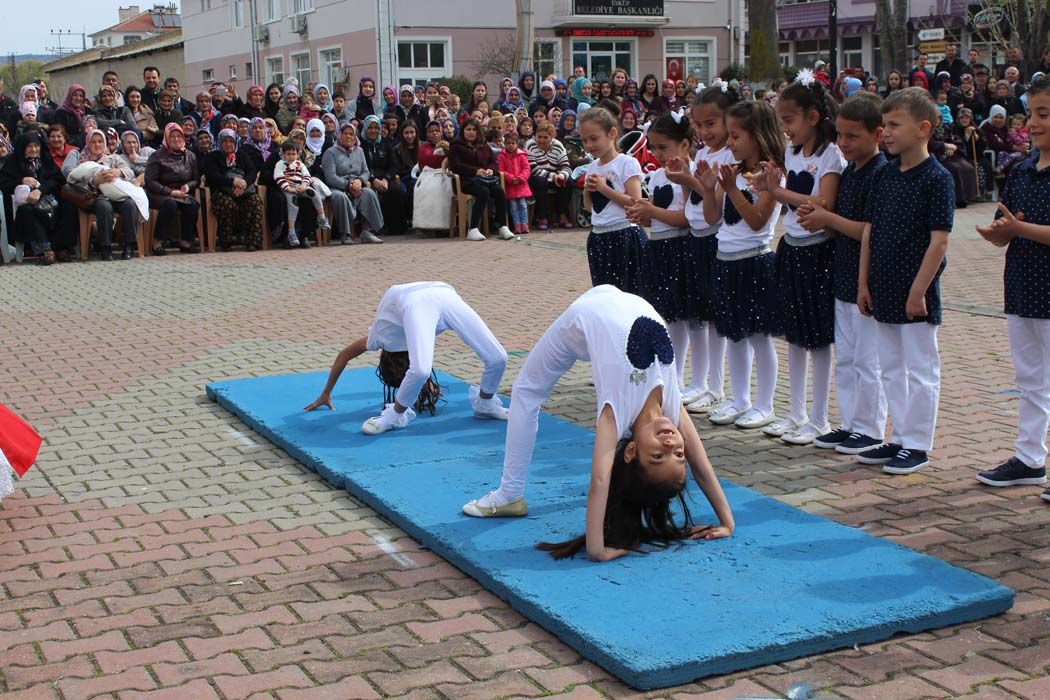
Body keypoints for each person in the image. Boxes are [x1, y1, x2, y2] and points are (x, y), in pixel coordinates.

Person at [461, 285, 735, 563]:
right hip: (620, 300)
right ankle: (510, 494)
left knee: (526, 390)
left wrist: (596, 549)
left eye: (657, 456)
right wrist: (727, 522)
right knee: (530, 390)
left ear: (630, 452)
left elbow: (600, 479)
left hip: (582, 321)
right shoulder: (671, 409)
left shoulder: (616, 412)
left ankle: (510, 494)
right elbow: (702, 465)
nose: (670, 443)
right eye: (678, 454)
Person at [855, 88, 954, 475]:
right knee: (890, 367)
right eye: (884, 126)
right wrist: (864, 283)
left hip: (915, 292)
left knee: (921, 367)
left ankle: (917, 443)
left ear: (923, 128)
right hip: (882, 285)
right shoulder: (884, 175)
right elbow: (870, 231)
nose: (887, 133)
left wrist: (919, 290)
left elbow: (939, 240)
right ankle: (898, 436)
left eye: (895, 125)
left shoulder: (937, 178)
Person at [753, 74, 844, 444]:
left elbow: (824, 201)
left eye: (789, 121)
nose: (785, 129)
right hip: (791, 247)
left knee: (816, 337)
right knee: (793, 335)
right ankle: (796, 413)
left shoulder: (830, 155)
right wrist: (768, 186)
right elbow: (785, 192)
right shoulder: (792, 153)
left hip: (819, 251)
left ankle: (819, 417)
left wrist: (778, 191)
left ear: (812, 116)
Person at [796, 92, 889, 455]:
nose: (844, 143)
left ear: (876, 135)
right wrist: (819, 220)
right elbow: (841, 225)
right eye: (841, 135)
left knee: (869, 360)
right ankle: (851, 423)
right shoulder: (849, 171)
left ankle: (871, 428)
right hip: (842, 274)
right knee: (848, 357)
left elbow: (870, 229)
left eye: (853, 136)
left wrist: (827, 220)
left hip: (866, 280)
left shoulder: (880, 173)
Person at [974, 76, 1050, 503]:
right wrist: (1002, 233)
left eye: (1044, 114)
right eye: (1031, 115)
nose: (1034, 124)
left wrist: (1019, 228)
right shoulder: (1020, 169)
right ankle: (1029, 458)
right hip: (1022, 289)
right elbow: (1013, 225)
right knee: (1031, 380)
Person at [304, 281, 510, 435]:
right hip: (439, 294)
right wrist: (326, 392)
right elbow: (344, 356)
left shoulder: (380, 337)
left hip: (420, 297)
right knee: (496, 358)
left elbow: (345, 354)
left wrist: (326, 392)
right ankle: (483, 403)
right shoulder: (405, 341)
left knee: (494, 358)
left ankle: (395, 415)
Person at [696, 100, 786, 430]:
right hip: (726, 261)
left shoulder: (771, 174)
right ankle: (740, 399)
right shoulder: (731, 174)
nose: (729, 143)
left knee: (758, 336)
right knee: (732, 334)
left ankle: (765, 404)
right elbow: (711, 219)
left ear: (757, 135)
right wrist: (710, 190)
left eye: (736, 136)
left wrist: (732, 189)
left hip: (754, 262)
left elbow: (758, 221)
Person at [666, 84, 740, 415]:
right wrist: (687, 178)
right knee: (698, 317)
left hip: (716, 238)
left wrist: (690, 180)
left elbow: (717, 203)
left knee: (715, 319)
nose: (703, 131)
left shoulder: (730, 157)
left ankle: (716, 385)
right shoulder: (704, 154)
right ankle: (700, 382)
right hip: (696, 237)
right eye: (698, 125)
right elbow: (698, 197)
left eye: (711, 123)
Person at [624, 109, 692, 374]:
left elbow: (687, 218)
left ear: (684, 144)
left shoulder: (688, 173)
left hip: (678, 248)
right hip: (657, 248)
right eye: (654, 148)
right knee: (660, 313)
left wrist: (652, 212)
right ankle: (662, 367)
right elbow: (657, 215)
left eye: (663, 147)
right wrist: (643, 215)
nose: (658, 153)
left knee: (680, 318)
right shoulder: (658, 175)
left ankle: (677, 373)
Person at [62, 128, 143, 260]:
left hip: (117, 196)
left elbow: (130, 172)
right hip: (93, 197)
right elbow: (71, 176)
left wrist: (118, 172)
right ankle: (105, 247)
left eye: (100, 141)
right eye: (93, 142)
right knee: (104, 206)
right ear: (87, 143)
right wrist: (93, 181)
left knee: (130, 204)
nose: (97, 144)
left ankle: (129, 245)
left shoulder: (113, 158)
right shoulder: (81, 158)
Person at [0, 132, 74, 264]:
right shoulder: (14, 162)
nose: (34, 149)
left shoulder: (45, 160)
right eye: (29, 146)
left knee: (68, 206)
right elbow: (4, 183)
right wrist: (21, 180)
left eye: (36, 146)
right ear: (23, 148)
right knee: (28, 211)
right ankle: (44, 250)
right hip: (27, 202)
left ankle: (61, 248)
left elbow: (57, 180)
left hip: (49, 199)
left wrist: (40, 190)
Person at [448, 118, 513, 241]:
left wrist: (490, 170)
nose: (471, 132)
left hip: (485, 179)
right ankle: (472, 229)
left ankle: (503, 226)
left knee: (499, 191)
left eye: (474, 130)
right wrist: (475, 171)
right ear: (463, 131)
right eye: (468, 129)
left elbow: (493, 162)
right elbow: (455, 166)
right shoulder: (456, 146)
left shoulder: (483, 145)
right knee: (483, 192)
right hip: (465, 180)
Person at [199, 129, 264, 251]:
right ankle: (226, 241)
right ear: (219, 142)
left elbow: (252, 171)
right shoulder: (212, 156)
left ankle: (253, 241)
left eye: (231, 141)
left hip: (243, 191)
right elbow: (213, 176)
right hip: (222, 192)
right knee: (227, 203)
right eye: (225, 141)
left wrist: (244, 183)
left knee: (255, 201)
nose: (228, 144)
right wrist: (233, 182)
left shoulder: (241, 154)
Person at [321, 122, 384, 244]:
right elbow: (330, 177)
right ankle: (345, 234)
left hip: (357, 185)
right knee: (340, 197)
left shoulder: (359, 151)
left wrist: (359, 181)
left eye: (351, 134)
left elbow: (365, 171)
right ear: (339, 135)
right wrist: (348, 185)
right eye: (345, 133)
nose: (349, 136)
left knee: (369, 193)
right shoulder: (330, 153)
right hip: (337, 187)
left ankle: (367, 231)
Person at [145, 123, 201, 255]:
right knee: (170, 204)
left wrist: (188, 186)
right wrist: (169, 192)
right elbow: (150, 181)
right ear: (166, 138)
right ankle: (157, 241)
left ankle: (186, 242)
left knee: (192, 205)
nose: (176, 139)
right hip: (159, 193)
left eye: (179, 136)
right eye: (172, 136)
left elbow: (196, 180)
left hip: (180, 192)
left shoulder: (190, 156)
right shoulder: (157, 156)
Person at [274, 139, 331, 248]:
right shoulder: (280, 164)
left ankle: (322, 217)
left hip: (301, 186)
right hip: (289, 188)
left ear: (297, 154)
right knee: (293, 204)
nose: (291, 156)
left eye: (293, 154)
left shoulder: (300, 164)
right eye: (288, 154)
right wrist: (288, 188)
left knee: (314, 194)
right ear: (283, 154)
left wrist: (304, 185)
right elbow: (278, 177)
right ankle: (291, 232)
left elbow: (306, 176)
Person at [359, 114, 405, 235]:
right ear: (365, 128)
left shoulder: (385, 143)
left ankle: (396, 228)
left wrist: (386, 179)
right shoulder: (360, 145)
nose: (373, 130)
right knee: (371, 192)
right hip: (368, 178)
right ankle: (376, 227)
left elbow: (394, 165)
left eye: (376, 127)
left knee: (397, 190)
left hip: (386, 177)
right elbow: (362, 167)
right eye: (370, 127)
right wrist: (374, 180)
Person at [526, 123, 572, 231]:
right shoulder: (530, 145)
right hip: (536, 176)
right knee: (540, 181)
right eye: (539, 137)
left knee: (567, 181)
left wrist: (561, 176)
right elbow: (533, 169)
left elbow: (566, 166)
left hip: (555, 175)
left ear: (551, 137)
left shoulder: (558, 145)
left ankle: (563, 216)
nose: (541, 140)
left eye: (545, 137)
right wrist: (553, 175)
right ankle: (542, 217)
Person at [498, 130, 531, 236]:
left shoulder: (522, 155)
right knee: (513, 206)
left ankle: (524, 224)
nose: (510, 146)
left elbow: (526, 168)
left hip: (521, 185)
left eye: (513, 143)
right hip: (510, 186)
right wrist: (511, 178)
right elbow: (501, 170)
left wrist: (520, 178)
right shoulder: (502, 156)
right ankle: (517, 225)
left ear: (517, 144)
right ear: (504, 144)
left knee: (523, 205)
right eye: (508, 143)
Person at [982, 104, 1027, 175]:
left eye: (1001, 117)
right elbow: (995, 145)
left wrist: (1024, 145)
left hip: (1009, 154)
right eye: (995, 117)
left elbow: (1008, 141)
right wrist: (1014, 147)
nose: (998, 120)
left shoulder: (1004, 128)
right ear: (991, 116)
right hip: (992, 156)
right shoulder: (986, 127)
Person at [53, 84, 90, 148]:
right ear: (70, 96)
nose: (78, 98)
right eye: (75, 95)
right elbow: (62, 136)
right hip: (69, 148)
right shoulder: (61, 112)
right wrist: (84, 134)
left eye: (81, 96)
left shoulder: (86, 111)